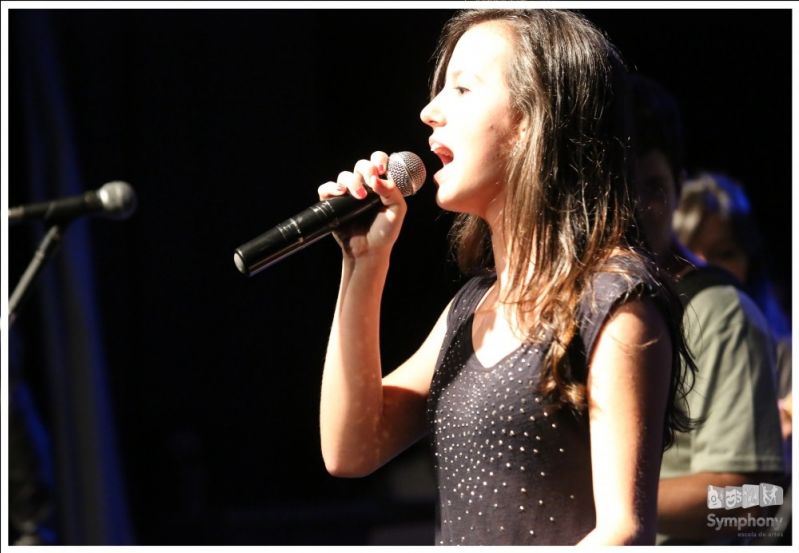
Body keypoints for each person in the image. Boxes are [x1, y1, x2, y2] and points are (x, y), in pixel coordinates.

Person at [317, 10, 695, 545]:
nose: (430, 111)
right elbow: (351, 448)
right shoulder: (471, 307)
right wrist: (363, 263)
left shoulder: (615, 303)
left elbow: (624, 531)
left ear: (535, 119)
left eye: (462, 89)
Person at [628, 73, 786, 544]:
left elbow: (756, 503)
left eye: (651, 186)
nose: (631, 207)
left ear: (677, 186)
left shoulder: (719, 313)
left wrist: (608, 499)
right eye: (613, 185)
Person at [674, 172, 792, 441]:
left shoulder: (785, 358)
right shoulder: (654, 352)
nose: (707, 270)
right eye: (690, 254)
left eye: (724, 254)